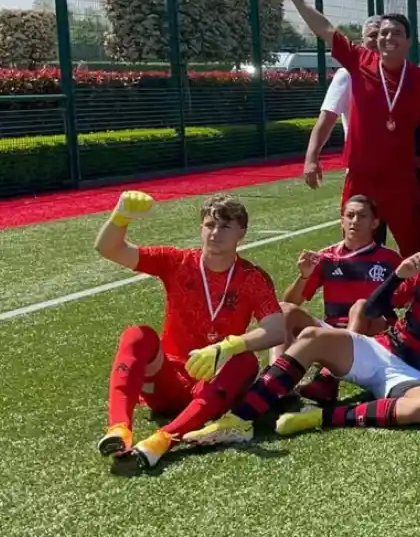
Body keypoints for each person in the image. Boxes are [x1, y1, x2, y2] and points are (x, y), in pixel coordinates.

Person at [184, 223, 420, 444]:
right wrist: (397, 278)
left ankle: (319, 417)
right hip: (383, 352)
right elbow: (371, 310)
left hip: (416, 380)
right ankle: (238, 421)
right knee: (313, 338)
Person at [272, 0, 420, 256]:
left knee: (414, 249)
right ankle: (359, 301)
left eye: (396, 32)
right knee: (353, 248)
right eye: (383, 33)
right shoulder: (359, 62)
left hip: (401, 178)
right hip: (360, 176)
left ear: (408, 41)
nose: (387, 37)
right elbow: (323, 28)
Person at [94, 192, 285, 470]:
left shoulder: (252, 278)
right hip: (167, 380)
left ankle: (164, 438)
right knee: (138, 334)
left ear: (241, 233)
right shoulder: (176, 261)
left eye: (225, 226)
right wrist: (120, 216)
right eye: (209, 225)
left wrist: (227, 347)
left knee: (245, 361)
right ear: (200, 228)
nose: (215, 232)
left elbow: (276, 329)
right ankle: (119, 428)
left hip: (209, 385)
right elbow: (109, 248)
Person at [278, 195, 402, 402]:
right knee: (284, 310)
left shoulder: (390, 259)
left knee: (362, 306)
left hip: (374, 335)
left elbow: (408, 300)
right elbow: (291, 303)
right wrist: (304, 276)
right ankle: (279, 383)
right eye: (350, 215)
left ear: (375, 223)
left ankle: (328, 379)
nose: (354, 221)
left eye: (362, 216)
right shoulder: (326, 257)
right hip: (334, 331)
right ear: (341, 221)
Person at [302, 15, 380, 189]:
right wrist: (311, 159)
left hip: (398, 168)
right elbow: (327, 119)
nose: (377, 40)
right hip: (362, 168)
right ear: (362, 41)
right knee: (359, 215)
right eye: (372, 35)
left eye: (382, 35)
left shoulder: (400, 74)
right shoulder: (347, 75)